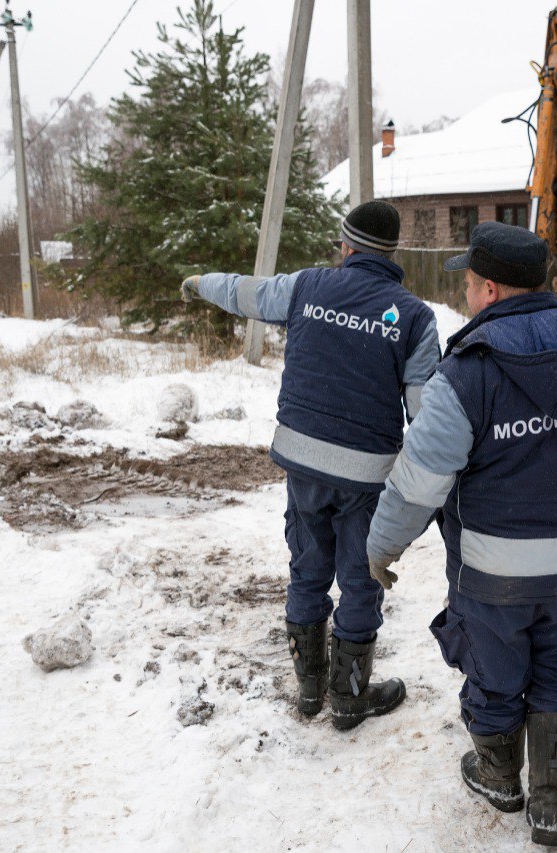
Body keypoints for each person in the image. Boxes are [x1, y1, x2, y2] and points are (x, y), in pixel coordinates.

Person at [365, 222, 557, 847]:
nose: (466, 297)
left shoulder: (467, 371)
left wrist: (382, 548)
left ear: (489, 289)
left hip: (491, 573)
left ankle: (499, 776)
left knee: (494, 671)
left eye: (467, 285)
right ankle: (551, 798)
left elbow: (418, 483)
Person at [180, 200, 440, 730]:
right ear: (391, 253)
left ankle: (308, 691)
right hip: (366, 477)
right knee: (360, 578)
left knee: (307, 568)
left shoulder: (305, 287)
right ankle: (347, 700)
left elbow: (242, 293)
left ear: (346, 247)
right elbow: (425, 412)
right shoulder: (414, 317)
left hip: (301, 464)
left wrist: (200, 282)